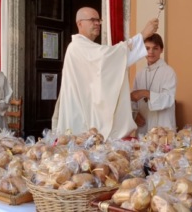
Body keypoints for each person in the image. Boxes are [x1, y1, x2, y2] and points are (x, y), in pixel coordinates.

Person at [52, 7, 159, 140]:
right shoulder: (77, 47)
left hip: (87, 114)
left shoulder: (87, 48)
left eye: (98, 20)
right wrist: (142, 34)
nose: (97, 23)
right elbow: (109, 58)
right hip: (80, 116)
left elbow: (111, 62)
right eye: (92, 20)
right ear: (80, 23)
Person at [130, 33, 177, 136]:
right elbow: (133, 100)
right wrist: (135, 115)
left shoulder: (168, 72)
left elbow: (168, 99)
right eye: (147, 48)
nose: (151, 52)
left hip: (163, 126)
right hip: (143, 126)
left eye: (155, 48)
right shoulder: (140, 74)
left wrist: (145, 93)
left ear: (161, 49)